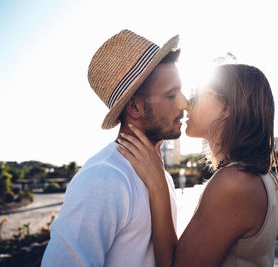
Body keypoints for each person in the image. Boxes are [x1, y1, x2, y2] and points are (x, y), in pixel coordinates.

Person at [41, 29, 188, 266]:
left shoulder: (162, 178)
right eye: (172, 95)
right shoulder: (103, 178)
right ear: (135, 108)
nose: (184, 102)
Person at [118, 63, 278, 267]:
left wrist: (158, 184)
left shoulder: (235, 183)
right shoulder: (248, 176)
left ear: (227, 109)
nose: (187, 103)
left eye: (196, 95)